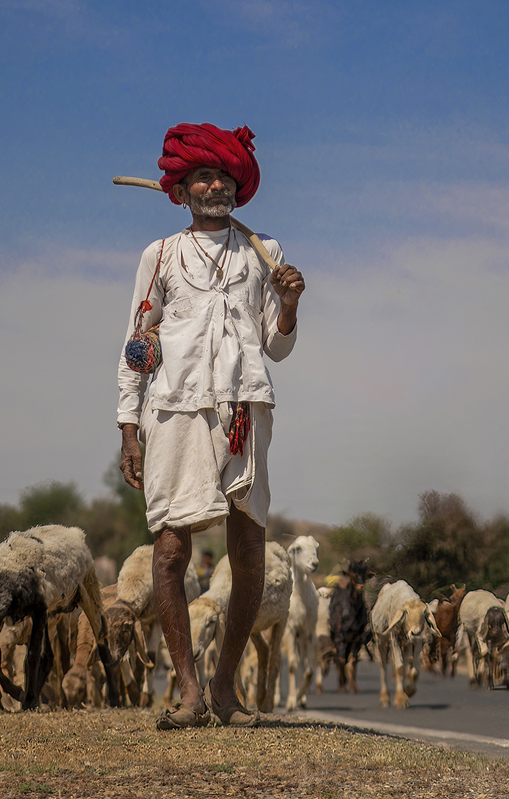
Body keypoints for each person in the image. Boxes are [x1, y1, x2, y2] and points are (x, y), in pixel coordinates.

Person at [116, 122, 305, 729]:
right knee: (171, 547)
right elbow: (136, 345)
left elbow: (277, 347)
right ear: (181, 190)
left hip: (245, 408)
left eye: (224, 175)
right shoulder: (160, 255)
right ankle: (190, 692)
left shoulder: (264, 251)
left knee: (247, 545)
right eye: (203, 175)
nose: (216, 184)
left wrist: (290, 303)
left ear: (238, 184)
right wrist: (128, 427)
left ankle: (225, 688)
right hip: (175, 410)